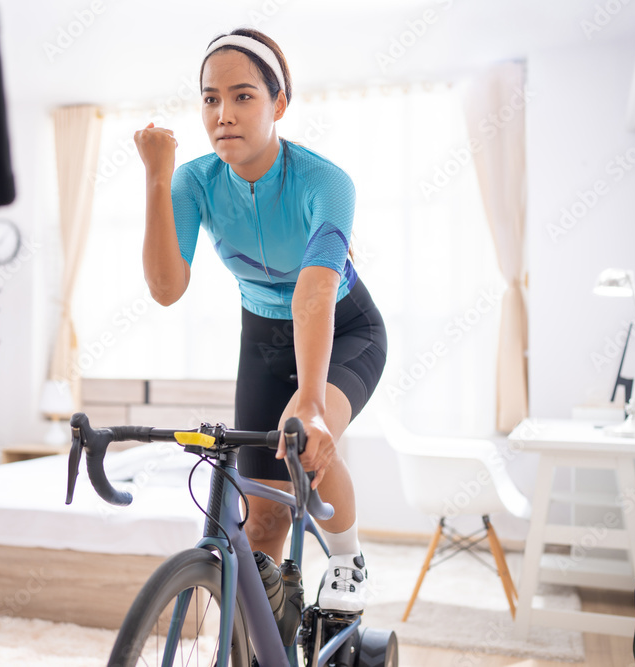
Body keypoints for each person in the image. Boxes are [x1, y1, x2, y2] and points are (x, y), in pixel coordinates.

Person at [133, 27, 387, 613]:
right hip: (264, 337)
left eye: (243, 96)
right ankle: (259, 638)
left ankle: (347, 558)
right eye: (210, 98)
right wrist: (157, 177)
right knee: (263, 521)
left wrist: (313, 402)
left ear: (279, 104)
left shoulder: (325, 182)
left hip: (344, 328)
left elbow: (314, 292)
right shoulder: (195, 180)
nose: (223, 114)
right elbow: (167, 289)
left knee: (302, 438)